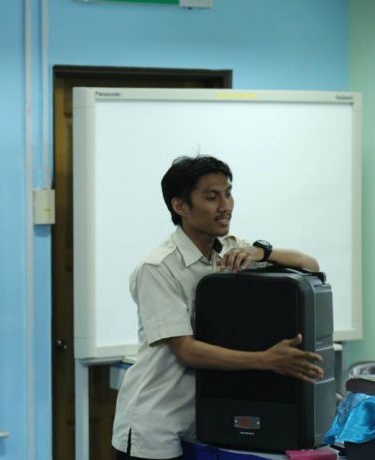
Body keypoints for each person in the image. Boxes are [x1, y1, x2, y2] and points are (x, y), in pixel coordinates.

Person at [111, 155, 324, 460]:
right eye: (211, 197)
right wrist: (267, 360)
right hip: (157, 425)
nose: (225, 206)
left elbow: (310, 266)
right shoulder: (157, 267)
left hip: (208, 421)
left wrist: (262, 252)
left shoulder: (232, 248)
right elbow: (186, 351)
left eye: (228, 193)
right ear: (180, 206)